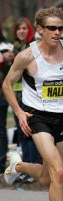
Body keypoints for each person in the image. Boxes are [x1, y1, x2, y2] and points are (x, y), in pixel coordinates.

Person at [3, 6, 63, 201]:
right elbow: (7, 85)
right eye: (52, 28)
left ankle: (17, 166)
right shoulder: (27, 56)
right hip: (37, 117)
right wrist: (20, 113)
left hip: (62, 117)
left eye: (60, 28)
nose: (57, 33)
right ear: (40, 30)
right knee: (59, 172)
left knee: (48, 177)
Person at [12, 17, 42, 183]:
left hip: (30, 98)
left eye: (24, 28)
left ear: (29, 30)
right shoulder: (15, 48)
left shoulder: (34, 47)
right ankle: (26, 169)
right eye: (18, 29)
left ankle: (34, 168)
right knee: (22, 134)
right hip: (17, 98)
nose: (21, 31)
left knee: (31, 134)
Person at [0, 29, 14, 174]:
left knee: (1, 130)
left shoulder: (6, 47)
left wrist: (7, 59)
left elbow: (9, 71)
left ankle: (1, 161)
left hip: (1, 96)